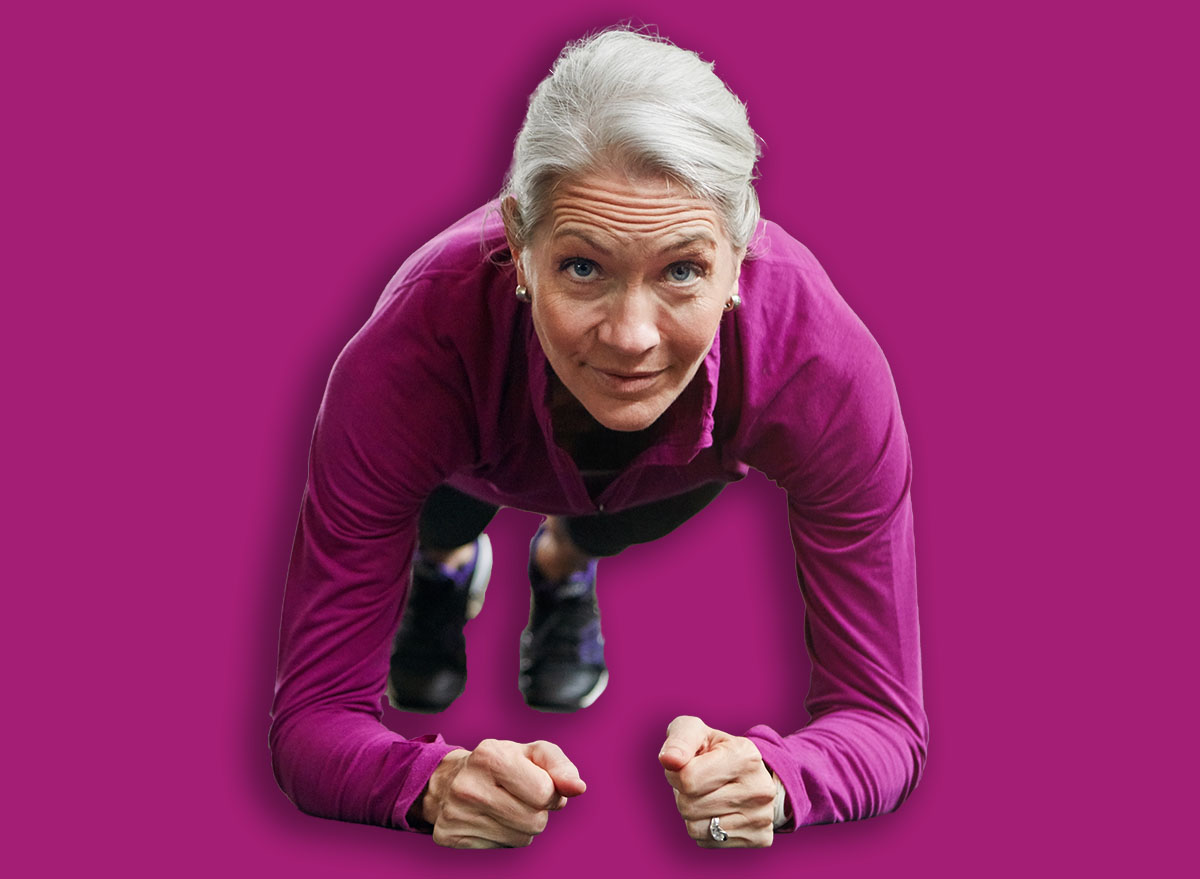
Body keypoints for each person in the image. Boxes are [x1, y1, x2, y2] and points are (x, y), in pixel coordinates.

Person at [270, 28, 928, 849]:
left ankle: (560, 565)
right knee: (440, 525)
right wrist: (429, 784)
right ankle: (446, 569)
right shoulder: (410, 354)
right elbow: (310, 721)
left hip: (673, 477)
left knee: (605, 526)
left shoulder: (823, 365)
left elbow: (885, 719)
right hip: (463, 466)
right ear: (519, 245)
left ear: (738, 258)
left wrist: (783, 777)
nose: (630, 338)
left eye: (682, 270)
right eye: (583, 266)